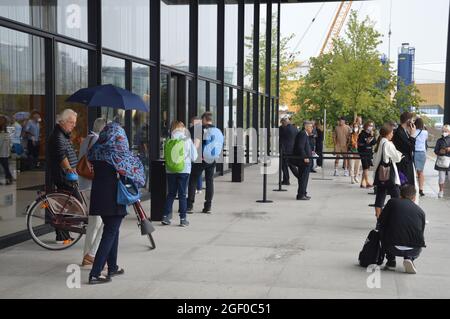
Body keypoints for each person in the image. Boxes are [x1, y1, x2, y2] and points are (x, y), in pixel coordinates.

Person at [87, 121, 145, 284]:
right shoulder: (119, 155)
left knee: (113, 229)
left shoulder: (97, 151)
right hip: (114, 197)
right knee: (110, 232)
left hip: (99, 196)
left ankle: (112, 266)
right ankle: (95, 273)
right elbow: (136, 173)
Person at [48, 109, 80, 244]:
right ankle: (61, 234)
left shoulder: (63, 134)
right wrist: (69, 169)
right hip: (64, 176)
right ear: (63, 121)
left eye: (74, 123)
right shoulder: (58, 135)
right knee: (76, 204)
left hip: (66, 175)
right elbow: (61, 155)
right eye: (71, 122)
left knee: (66, 205)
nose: (73, 125)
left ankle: (63, 235)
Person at [378, 184, 426, 274]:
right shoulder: (421, 212)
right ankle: (409, 258)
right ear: (414, 197)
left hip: (392, 246)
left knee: (383, 227)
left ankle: (391, 261)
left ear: (400, 195)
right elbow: (421, 232)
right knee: (413, 235)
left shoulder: (392, 202)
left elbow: (381, 220)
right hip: (414, 249)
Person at [79, 118, 107, 267]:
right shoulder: (96, 140)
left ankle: (87, 256)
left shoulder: (87, 139)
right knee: (101, 222)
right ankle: (92, 254)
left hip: (84, 184)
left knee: (93, 222)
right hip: (92, 185)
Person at [162, 121, 198, 226]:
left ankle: (165, 217)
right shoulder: (187, 139)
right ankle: (183, 219)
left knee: (171, 194)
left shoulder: (169, 139)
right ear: (182, 128)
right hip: (184, 169)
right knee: (182, 195)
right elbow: (194, 157)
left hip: (170, 170)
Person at [187, 112, 222, 214]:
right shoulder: (217, 131)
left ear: (204, 120)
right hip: (212, 159)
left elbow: (195, 145)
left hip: (200, 159)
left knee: (193, 180)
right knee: (209, 181)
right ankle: (208, 206)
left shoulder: (200, 129)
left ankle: (189, 205)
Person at [372, 125, 403, 218]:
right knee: (397, 198)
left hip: (380, 176)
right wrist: (400, 155)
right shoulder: (388, 144)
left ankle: (379, 220)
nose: (392, 134)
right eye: (392, 132)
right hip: (389, 176)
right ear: (388, 134)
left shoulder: (379, 143)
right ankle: (396, 219)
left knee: (379, 198)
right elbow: (397, 158)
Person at [393, 112, 417, 187]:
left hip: (406, 162)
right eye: (412, 121)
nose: (413, 123)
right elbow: (410, 148)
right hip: (403, 164)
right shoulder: (399, 132)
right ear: (408, 121)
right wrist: (412, 136)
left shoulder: (404, 131)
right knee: (405, 187)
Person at [293, 121, 314, 200]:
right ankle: (301, 195)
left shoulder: (305, 134)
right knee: (303, 178)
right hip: (304, 161)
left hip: (306, 160)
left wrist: (310, 152)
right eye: (310, 127)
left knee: (304, 178)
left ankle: (303, 193)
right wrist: (305, 157)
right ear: (306, 127)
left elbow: (304, 146)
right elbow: (300, 147)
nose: (312, 128)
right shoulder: (302, 134)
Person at [279, 116, 299, 185]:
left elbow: (279, 137)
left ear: (284, 122)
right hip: (292, 150)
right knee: (292, 165)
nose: (281, 124)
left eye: (282, 123)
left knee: (284, 166)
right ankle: (300, 177)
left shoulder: (283, 129)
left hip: (284, 150)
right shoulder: (295, 129)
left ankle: (286, 180)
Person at [357, 121, 376, 188]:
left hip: (369, 152)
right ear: (366, 126)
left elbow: (374, 142)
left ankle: (362, 183)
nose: (371, 127)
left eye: (372, 126)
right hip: (363, 152)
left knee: (367, 168)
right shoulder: (362, 134)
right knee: (365, 167)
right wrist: (366, 142)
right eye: (369, 125)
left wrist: (372, 135)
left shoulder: (371, 134)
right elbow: (359, 144)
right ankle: (367, 182)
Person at [413, 117, 428, 197]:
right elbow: (425, 140)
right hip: (422, 153)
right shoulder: (425, 132)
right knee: (421, 172)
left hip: (414, 152)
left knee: (413, 171)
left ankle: (413, 188)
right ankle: (421, 189)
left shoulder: (413, 132)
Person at [434, 124, 450, 198]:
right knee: (441, 177)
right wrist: (441, 151)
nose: (444, 132)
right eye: (443, 131)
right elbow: (436, 151)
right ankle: (441, 191)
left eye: (446, 131)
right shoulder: (439, 140)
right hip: (441, 160)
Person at [189, 116, 203, 194]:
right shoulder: (203, 130)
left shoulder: (192, 130)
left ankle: (194, 188)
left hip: (194, 153)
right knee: (199, 172)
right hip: (201, 153)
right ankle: (199, 188)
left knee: (193, 172)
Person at [0, 116, 13, 185]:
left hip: (4, 152)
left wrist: (9, 150)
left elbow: (9, 142)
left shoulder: (7, 131)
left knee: (5, 166)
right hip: (3, 151)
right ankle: (8, 178)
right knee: (5, 166)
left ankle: (9, 179)